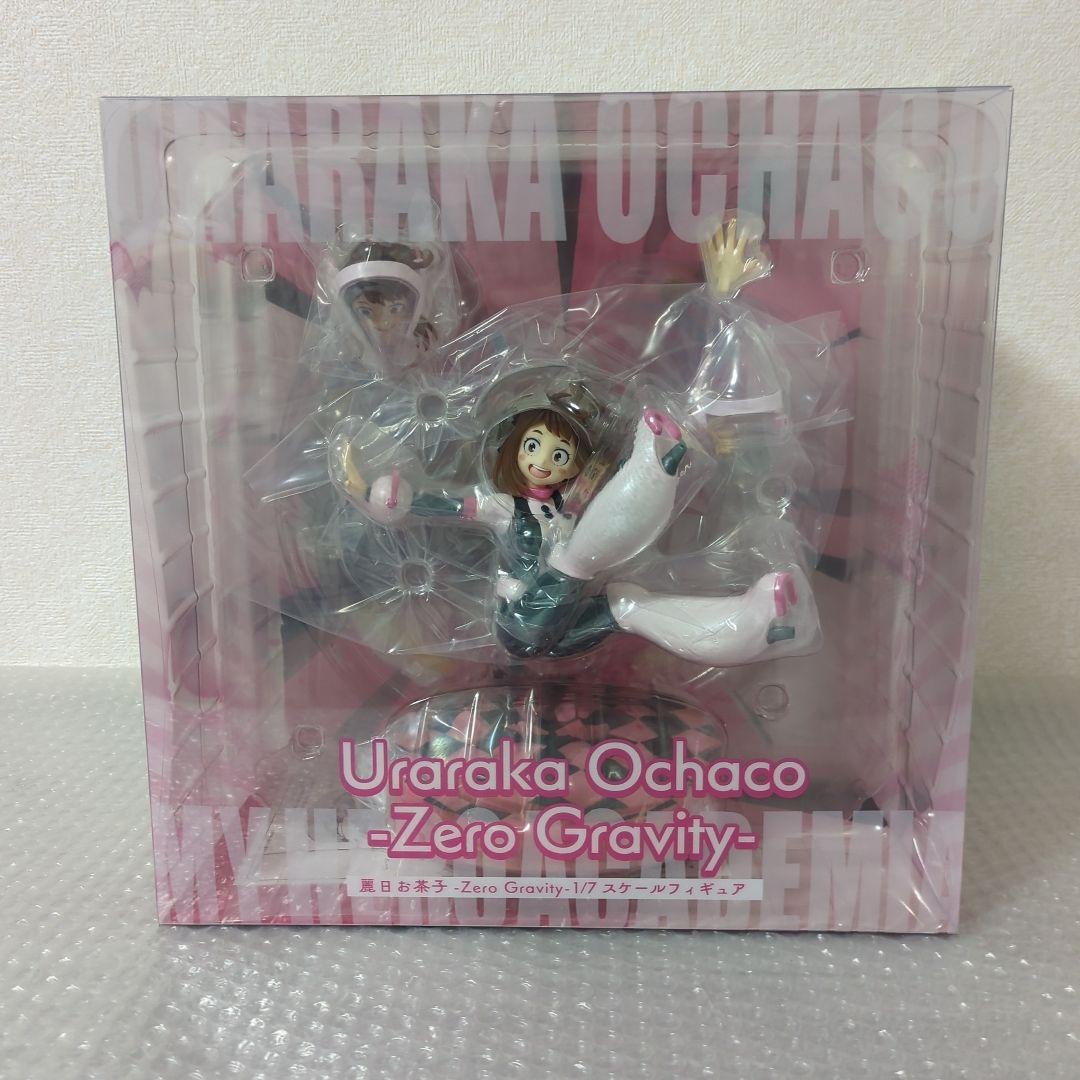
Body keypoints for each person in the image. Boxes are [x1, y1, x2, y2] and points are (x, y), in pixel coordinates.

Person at [334, 385, 816, 665]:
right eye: (532, 447)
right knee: (572, 559)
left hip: (560, 630)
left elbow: (605, 502)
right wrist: (396, 498)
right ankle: (655, 464)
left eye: (559, 455)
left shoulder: (571, 507)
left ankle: (753, 625)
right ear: (512, 450)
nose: (543, 462)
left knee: (628, 604)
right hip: (521, 623)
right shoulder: (504, 507)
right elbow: (451, 505)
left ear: (574, 465)